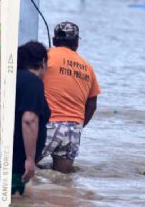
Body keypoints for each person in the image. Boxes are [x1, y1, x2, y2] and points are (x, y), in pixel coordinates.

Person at [39, 22, 100, 173]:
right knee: (62, 181)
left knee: (19, 168)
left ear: (54, 40)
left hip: (48, 125)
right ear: (76, 42)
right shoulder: (87, 67)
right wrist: (78, 126)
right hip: (73, 130)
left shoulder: (44, 57)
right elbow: (92, 104)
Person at [12, 41, 51, 196]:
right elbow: (29, 120)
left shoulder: (16, 78)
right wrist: (30, 159)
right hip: (17, 163)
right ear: (42, 62)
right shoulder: (33, 82)